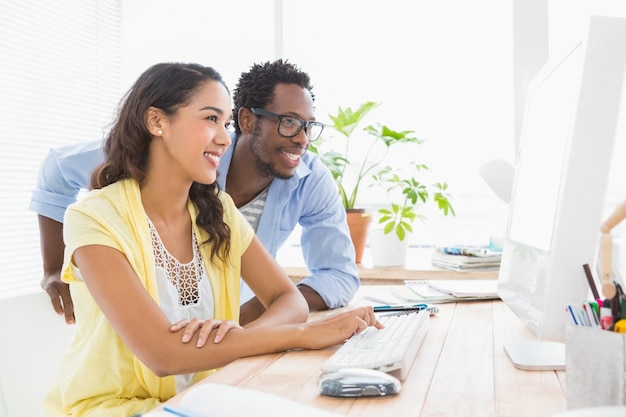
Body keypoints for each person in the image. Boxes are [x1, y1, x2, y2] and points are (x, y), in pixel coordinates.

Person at [44, 62, 379, 416]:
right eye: (210, 119)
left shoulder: (218, 210)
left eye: (226, 123)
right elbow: (163, 354)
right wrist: (302, 335)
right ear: (157, 122)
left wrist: (237, 333)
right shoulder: (95, 217)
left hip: (204, 396)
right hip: (113, 408)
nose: (223, 137)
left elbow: (288, 300)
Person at [29, 59, 359, 326]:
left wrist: (258, 311)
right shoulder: (170, 156)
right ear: (246, 120)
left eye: (308, 126)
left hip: (218, 337)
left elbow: (339, 275)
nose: (302, 138)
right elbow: (57, 169)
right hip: (155, 332)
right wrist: (53, 267)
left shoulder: (308, 180)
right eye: (289, 122)